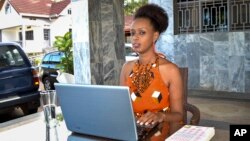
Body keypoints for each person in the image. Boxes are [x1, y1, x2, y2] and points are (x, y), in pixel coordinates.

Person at [120, 3, 184, 140]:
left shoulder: (170, 70)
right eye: (132, 33)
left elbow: (179, 114)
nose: (135, 38)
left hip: (159, 131)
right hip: (132, 131)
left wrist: (160, 116)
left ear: (155, 36)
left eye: (142, 32)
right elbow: (123, 108)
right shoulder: (126, 68)